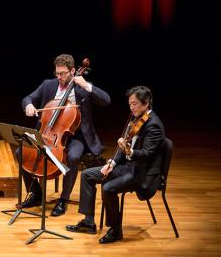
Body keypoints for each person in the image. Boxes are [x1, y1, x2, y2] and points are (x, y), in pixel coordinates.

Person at [65, 86, 165, 244]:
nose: (131, 107)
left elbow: (147, 154)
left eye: (135, 104)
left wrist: (129, 151)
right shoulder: (135, 118)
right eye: (130, 103)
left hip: (142, 173)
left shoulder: (154, 126)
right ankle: (88, 222)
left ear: (146, 103)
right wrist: (112, 162)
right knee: (87, 175)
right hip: (126, 167)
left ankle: (115, 230)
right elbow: (123, 145)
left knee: (108, 188)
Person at [20, 54, 111, 216]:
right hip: (48, 132)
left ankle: (63, 199)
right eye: (57, 73)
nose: (59, 77)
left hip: (76, 135)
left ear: (73, 70)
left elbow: (106, 100)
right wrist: (28, 106)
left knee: (73, 157)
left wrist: (87, 85)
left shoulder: (82, 87)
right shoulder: (48, 85)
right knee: (20, 152)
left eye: (63, 73)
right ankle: (35, 193)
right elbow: (28, 98)